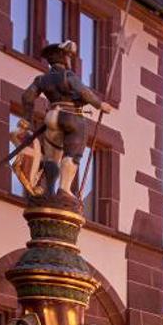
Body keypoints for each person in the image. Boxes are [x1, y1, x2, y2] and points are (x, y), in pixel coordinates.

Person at [17, 40, 111, 203]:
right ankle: (64, 189)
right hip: (71, 116)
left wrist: (27, 118)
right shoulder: (68, 76)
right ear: (62, 58)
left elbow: (27, 97)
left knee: (52, 158)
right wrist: (100, 105)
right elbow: (84, 92)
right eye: (68, 56)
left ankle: (49, 191)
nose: (70, 59)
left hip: (51, 116)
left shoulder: (42, 79)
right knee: (72, 154)